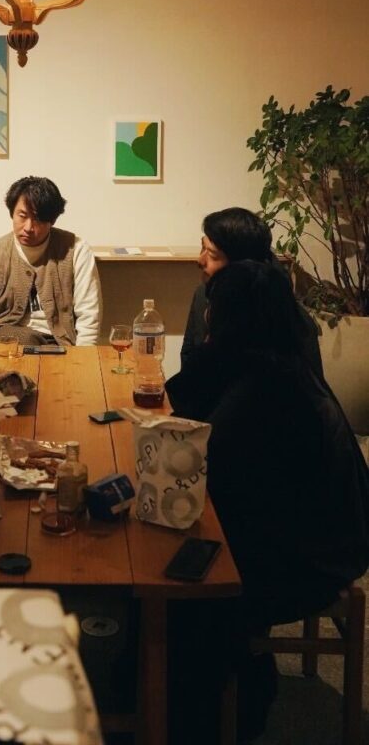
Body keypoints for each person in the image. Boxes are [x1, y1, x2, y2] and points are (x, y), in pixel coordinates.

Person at [166, 261, 369, 742]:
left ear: (234, 318)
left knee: (169, 572)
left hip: (309, 560)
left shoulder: (265, 388)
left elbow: (209, 471)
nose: (207, 316)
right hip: (319, 535)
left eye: (214, 308)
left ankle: (203, 709)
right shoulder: (279, 362)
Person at [181, 206, 323, 377]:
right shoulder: (203, 294)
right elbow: (188, 357)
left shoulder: (283, 317)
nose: (200, 260)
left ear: (242, 265)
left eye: (212, 255)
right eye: (202, 247)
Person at [0, 176, 101, 346]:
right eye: (22, 216)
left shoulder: (75, 250)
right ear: (12, 213)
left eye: (38, 219)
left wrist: (82, 357)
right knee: (25, 339)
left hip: (61, 344)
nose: (28, 227)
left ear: (52, 220)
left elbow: (89, 317)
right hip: (7, 345)